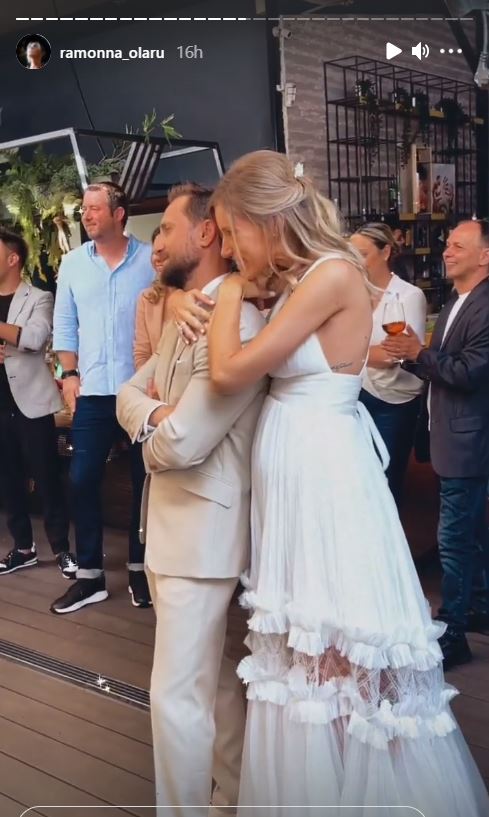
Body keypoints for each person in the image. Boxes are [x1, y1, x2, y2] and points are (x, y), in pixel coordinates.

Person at [173, 151, 488, 817]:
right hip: (295, 470)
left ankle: (358, 793)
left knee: (337, 644)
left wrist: (226, 292)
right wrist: (187, 297)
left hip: (325, 473)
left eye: (231, 232)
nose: (226, 249)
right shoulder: (295, 280)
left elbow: (230, 372)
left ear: (265, 219)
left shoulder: (332, 273)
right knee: (305, 648)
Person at [117, 182, 268, 816]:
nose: (157, 243)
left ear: (206, 234)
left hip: (202, 531)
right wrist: (156, 415)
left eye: (167, 228)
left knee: (176, 696)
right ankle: (231, 799)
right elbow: (128, 390)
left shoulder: (240, 320)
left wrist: (149, 432)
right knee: (213, 685)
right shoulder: (183, 310)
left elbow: (184, 444)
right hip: (173, 527)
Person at [383, 219, 489, 671]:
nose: (447, 251)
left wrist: (418, 354)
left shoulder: (485, 305)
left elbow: (469, 372)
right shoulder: (455, 302)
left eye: (458, 245)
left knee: (453, 539)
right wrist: (411, 359)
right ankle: (477, 606)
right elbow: (443, 366)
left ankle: (453, 633)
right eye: (448, 244)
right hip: (451, 434)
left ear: (485, 256)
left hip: (468, 439)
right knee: (472, 532)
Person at [51, 181, 154, 614]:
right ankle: (90, 576)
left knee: (146, 483)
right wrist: (68, 375)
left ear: (119, 213)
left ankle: (140, 569)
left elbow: (163, 319)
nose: (87, 215)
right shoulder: (73, 264)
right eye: (84, 210)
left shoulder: (150, 259)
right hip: (91, 391)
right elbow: (64, 324)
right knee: (81, 479)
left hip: (141, 390)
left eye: (95, 208)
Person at [0, 227, 76, 579]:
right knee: (8, 480)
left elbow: (34, 338)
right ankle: (23, 548)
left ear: (13, 258)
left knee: (47, 478)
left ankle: (62, 549)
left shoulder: (40, 297)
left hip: (31, 403)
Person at [351, 223, 427, 507]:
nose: (355, 261)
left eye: (362, 254)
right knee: (358, 477)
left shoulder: (408, 295)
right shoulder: (352, 293)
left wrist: (345, 353)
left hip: (393, 401)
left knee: (385, 479)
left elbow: (393, 355)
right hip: (355, 393)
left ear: (385, 252)